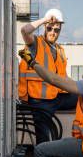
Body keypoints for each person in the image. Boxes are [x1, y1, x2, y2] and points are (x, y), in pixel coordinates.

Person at [18, 8, 78, 145]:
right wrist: (45, 19)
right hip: (39, 100)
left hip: (57, 97)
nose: (53, 32)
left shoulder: (59, 50)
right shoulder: (35, 43)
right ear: (45, 27)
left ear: (60, 30)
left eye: (56, 30)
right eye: (50, 28)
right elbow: (24, 30)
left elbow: (64, 77)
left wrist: (81, 88)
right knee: (43, 138)